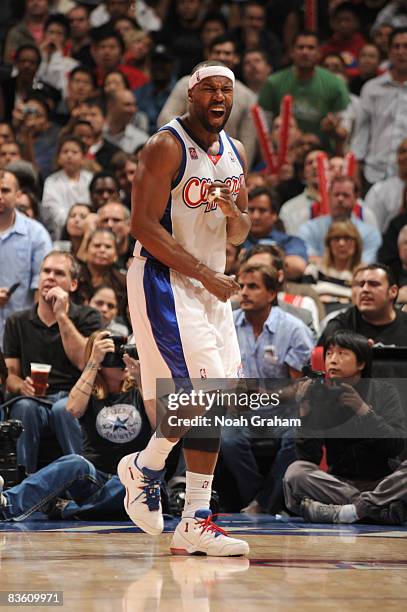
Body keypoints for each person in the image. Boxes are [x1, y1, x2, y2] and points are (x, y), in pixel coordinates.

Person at [121, 59, 252, 556]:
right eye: (210, 89)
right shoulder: (165, 145)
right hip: (164, 279)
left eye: (227, 90)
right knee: (198, 391)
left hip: (208, 284)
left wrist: (229, 210)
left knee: (214, 398)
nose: (219, 97)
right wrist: (206, 275)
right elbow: (143, 226)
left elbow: (241, 232)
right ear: (191, 95)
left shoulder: (236, 152)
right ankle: (162, 482)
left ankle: (177, 500)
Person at [0, 330, 151, 522]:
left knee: (137, 482)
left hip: (133, 478)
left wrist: (140, 378)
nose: (120, 360)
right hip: (97, 477)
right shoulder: (92, 392)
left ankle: (68, 509)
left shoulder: (141, 389)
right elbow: (71, 409)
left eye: (123, 353)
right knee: (74, 462)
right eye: (112, 355)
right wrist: (94, 361)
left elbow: (159, 423)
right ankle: (7, 504)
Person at [284, 330, 407, 525]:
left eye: (342, 354)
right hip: (339, 484)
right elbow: (309, 458)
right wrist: (305, 413)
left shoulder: (384, 392)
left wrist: (364, 411)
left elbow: (395, 446)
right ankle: (374, 510)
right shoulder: (320, 396)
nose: (333, 360)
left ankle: (349, 511)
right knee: (296, 472)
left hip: (383, 481)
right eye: (329, 353)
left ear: (361, 363)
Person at [219, 262, 314, 513]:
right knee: (226, 439)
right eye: (242, 287)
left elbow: (300, 386)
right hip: (239, 410)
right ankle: (261, 499)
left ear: (272, 294)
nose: (245, 293)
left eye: (253, 287)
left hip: (282, 411)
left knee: (296, 437)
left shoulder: (294, 329)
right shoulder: (226, 324)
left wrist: (268, 396)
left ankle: (261, 503)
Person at [2, 251, 101, 473]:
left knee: (62, 409)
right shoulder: (17, 321)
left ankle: (83, 481)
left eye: (59, 273)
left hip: (74, 395)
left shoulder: (88, 317)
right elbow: (10, 374)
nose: (50, 277)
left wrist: (62, 317)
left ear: (73, 284)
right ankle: (22, 486)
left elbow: (82, 362)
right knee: (24, 406)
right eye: (46, 271)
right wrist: (21, 386)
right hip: (34, 398)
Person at [157, 35, 257, 168]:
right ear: (208, 54)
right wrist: (197, 139)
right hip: (184, 154)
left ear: (236, 58)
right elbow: (164, 119)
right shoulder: (187, 83)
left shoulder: (248, 96)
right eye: (217, 52)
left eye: (227, 53)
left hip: (224, 160)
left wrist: (241, 167)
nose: (222, 56)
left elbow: (248, 140)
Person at [259, 31, 350, 154]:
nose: (305, 52)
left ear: (319, 53)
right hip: (282, 152)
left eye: (311, 48)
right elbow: (263, 128)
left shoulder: (335, 84)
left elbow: (344, 131)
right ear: (291, 52)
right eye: (300, 47)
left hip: (322, 152)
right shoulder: (273, 83)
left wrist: (332, 130)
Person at [0, 170, 52, 348]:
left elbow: (43, 288)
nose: (0, 196)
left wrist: (35, 332)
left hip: (21, 333)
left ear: (18, 195)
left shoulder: (36, 234)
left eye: (5, 190)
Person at [352, 28, 407, 188]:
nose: (401, 52)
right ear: (389, 52)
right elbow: (362, 130)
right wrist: (356, 165)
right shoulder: (371, 88)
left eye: (405, 46)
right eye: (396, 47)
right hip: (374, 172)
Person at [319, 263, 407, 346]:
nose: (365, 289)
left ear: (393, 291)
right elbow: (319, 360)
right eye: (360, 284)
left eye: (374, 284)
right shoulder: (338, 327)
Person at [298, 176, 381, 264]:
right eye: (336, 194)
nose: (340, 199)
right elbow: (304, 258)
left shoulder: (370, 234)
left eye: (346, 195)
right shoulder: (309, 229)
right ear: (328, 196)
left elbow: (366, 264)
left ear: (356, 198)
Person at [243, 186, 307, 281]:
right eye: (251, 210)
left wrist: (245, 261)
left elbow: (297, 267)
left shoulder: (290, 241)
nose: (255, 216)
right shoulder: (237, 241)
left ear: (274, 215)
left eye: (262, 210)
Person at [303, 220, 363, 314]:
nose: (341, 243)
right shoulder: (314, 269)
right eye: (336, 238)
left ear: (356, 243)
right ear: (328, 243)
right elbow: (305, 296)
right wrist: (347, 296)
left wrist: (325, 293)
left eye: (347, 238)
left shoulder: (364, 273)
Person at [41, 136, 93, 240]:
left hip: (90, 230)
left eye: (74, 152)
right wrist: (74, 221)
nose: (69, 155)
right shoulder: (51, 181)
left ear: (83, 158)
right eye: (65, 151)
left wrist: (84, 221)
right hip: (60, 233)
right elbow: (52, 210)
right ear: (58, 158)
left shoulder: (91, 178)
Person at [364, 137, 407, 233]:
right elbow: (370, 229)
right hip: (387, 244)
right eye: (403, 151)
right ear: (397, 157)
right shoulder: (379, 190)